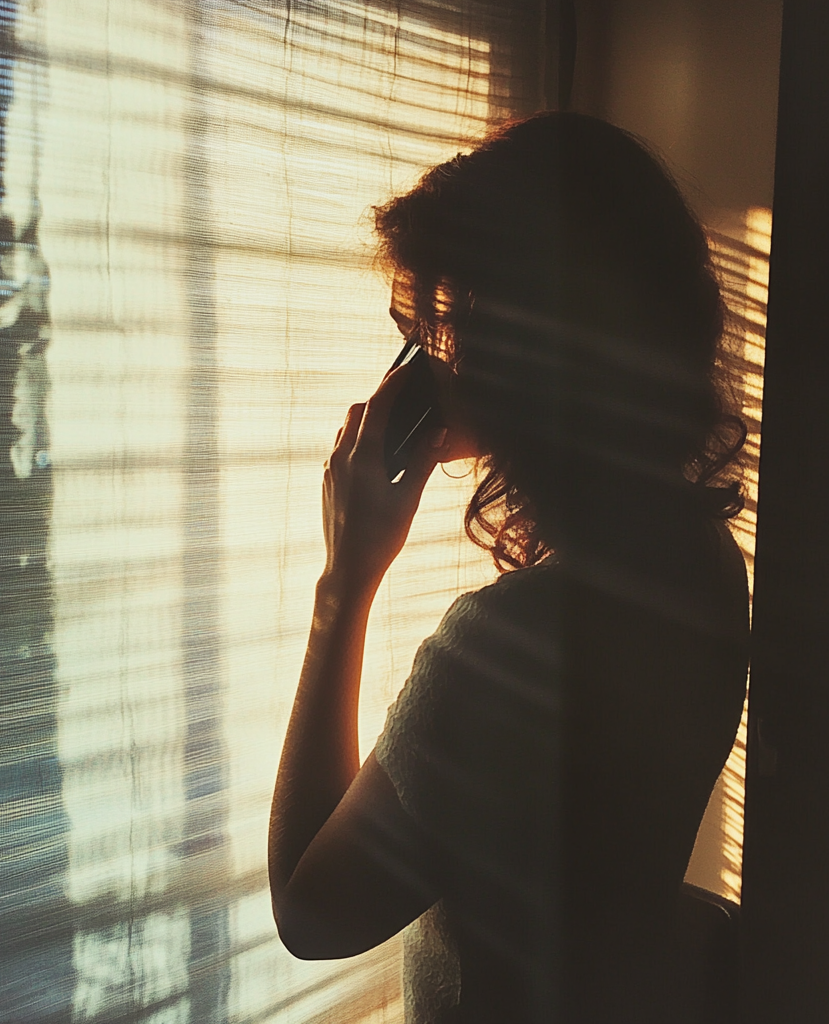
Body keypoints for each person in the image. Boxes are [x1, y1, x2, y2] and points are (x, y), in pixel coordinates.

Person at [267, 112, 750, 1023]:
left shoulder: (509, 640)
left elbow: (310, 913)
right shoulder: (702, 562)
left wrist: (345, 589)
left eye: (438, 324)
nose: (419, 357)